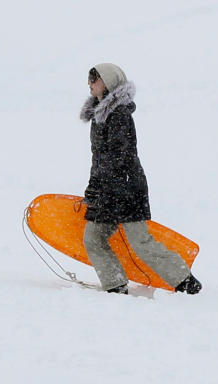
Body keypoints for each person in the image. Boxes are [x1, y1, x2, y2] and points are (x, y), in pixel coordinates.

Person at [80, 63, 201, 295]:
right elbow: (100, 158)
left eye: (93, 79)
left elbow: (118, 156)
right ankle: (115, 285)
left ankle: (185, 281)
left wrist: (98, 186)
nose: (89, 84)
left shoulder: (118, 115)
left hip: (126, 187)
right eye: (89, 79)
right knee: (94, 239)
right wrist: (94, 187)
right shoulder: (100, 113)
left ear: (107, 81)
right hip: (107, 188)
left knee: (140, 242)